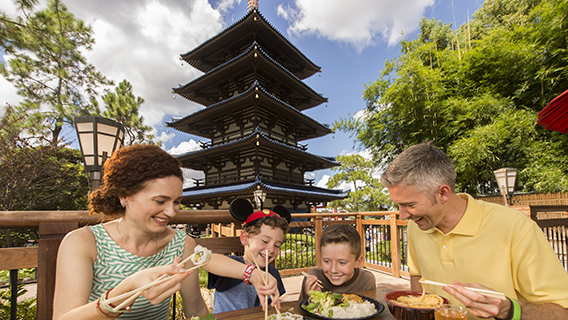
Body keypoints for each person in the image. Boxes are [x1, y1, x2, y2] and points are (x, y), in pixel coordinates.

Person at [52, 144, 280, 320]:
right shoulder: (84, 242)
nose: (171, 212)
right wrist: (126, 290)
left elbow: (197, 304)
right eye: (160, 200)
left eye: (177, 202)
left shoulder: (179, 243)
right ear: (124, 196)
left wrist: (253, 273)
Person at [380, 142, 568, 320]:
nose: (402, 215)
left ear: (443, 193)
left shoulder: (517, 228)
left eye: (409, 205)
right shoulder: (417, 226)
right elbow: (418, 276)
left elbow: (563, 312)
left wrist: (508, 310)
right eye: (398, 205)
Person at [207, 198, 291, 313]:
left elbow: (273, 308)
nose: (271, 250)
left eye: (277, 245)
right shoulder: (231, 264)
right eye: (265, 241)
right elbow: (207, 260)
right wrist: (250, 272)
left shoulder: (272, 272)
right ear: (244, 238)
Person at [299, 224, 376, 301]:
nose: (333, 270)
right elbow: (298, 311)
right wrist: (315, 299)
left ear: (358, 262)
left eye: (342, 263)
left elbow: (369, 309)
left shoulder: (366, 280)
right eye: (327, 261)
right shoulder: (313, 278)